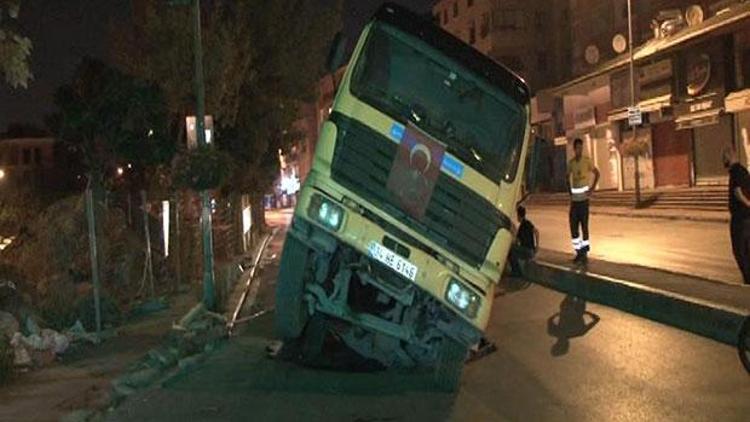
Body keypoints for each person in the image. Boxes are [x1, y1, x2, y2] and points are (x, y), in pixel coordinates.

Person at [567, 138, 599, 264]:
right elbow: (566, 177)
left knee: (584, 227)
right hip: (574, 202)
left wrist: (592, 189)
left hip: (584, 202)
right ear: (574, 149)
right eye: (577, 148)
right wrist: (569, 191)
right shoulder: (571, 163)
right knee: (574, 228)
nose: (579, 150)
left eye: (581, 148)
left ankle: (584, 253)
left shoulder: (587, 162)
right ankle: (578, 252)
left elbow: (597, 173)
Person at [723, 145, 750, 285]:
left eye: (724, 157)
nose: (723, 160)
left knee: (739, 250)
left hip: (739, 218)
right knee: (746, 248)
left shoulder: (735, 171)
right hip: (747, 218)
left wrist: (747, 203)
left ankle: (747, 279)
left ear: (730, 156)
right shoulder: (744, 171)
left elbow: (738, 192)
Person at [509, 205, 539, 277]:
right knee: (514, 250)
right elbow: (536, 232)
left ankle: (517, 272)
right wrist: (537, 245)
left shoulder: (521, 227)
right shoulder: (528, 223)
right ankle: (517, 271)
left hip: (527, 251)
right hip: (531, 250)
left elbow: (516, 240)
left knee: (510, 251)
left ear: (519, 216)